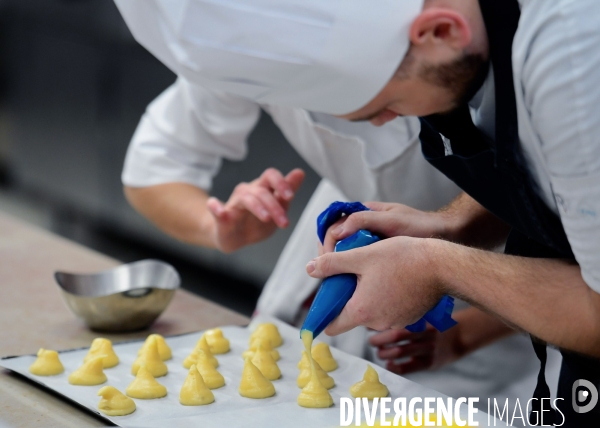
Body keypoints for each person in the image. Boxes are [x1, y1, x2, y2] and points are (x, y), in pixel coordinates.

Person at [115, 0, 600, 425]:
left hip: (540, 319)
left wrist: (436, 266)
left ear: (441, 32)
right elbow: (540, 173)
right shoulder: (459, 53)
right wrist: (450, 225)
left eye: (385, 107)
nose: (388, 122)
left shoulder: (573, 65)